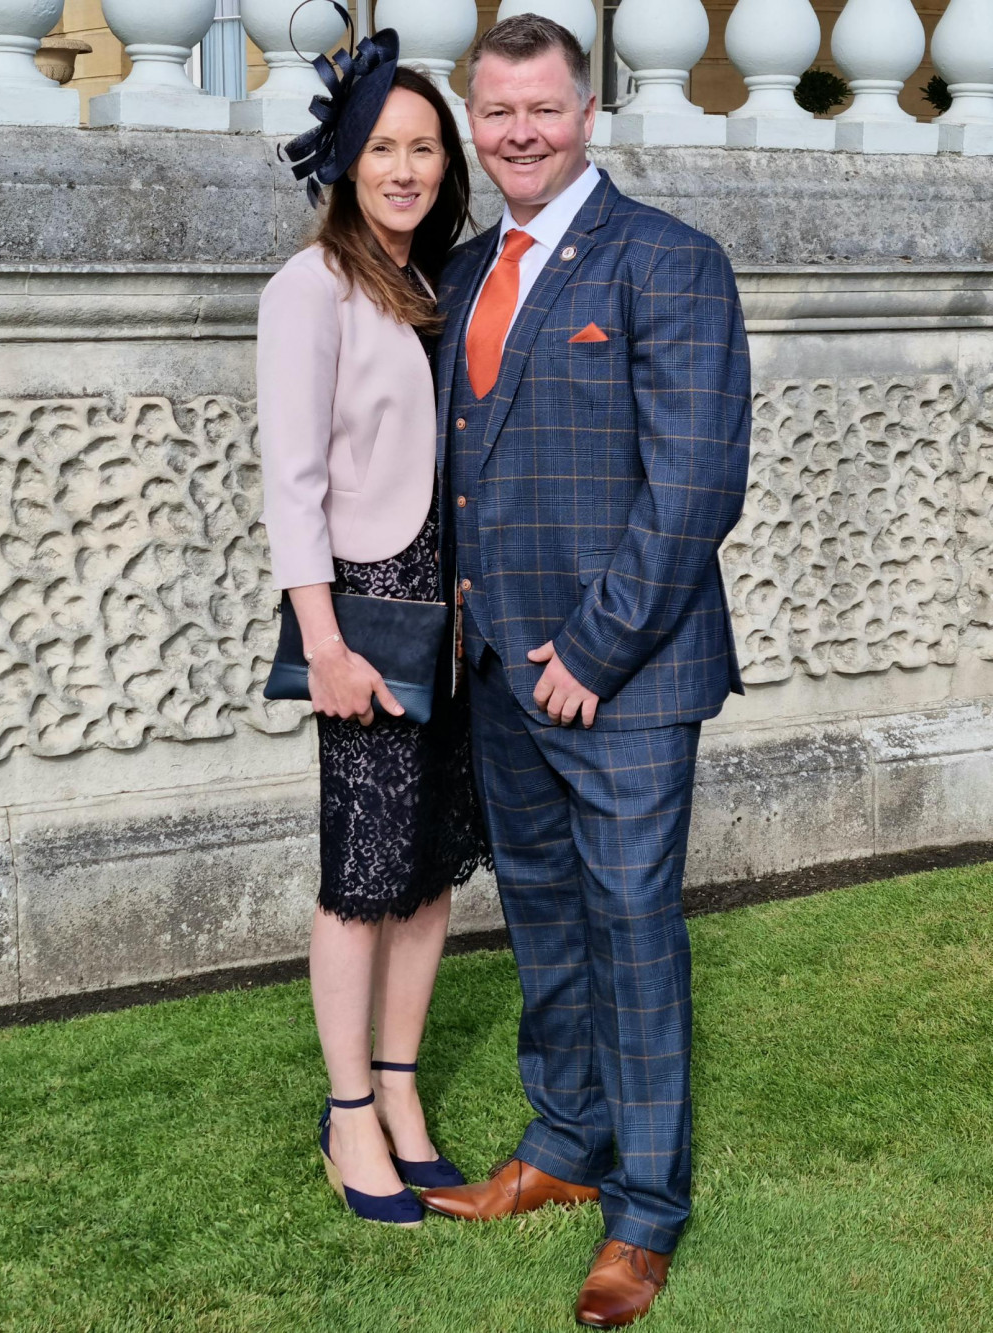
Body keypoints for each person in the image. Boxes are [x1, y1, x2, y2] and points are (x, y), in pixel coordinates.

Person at [418, 15, 752, 1327]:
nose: (518, 134)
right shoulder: (455, 273)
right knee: (547, 926)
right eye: (496, 112)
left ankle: (648, 1213)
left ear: (589, 110)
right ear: (475, 115)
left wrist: (595, 651)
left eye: (541, 110)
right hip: (497, 670)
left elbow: (695, 486)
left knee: (631, 934)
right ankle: (561, 1149)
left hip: (623, 677)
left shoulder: (669, 264)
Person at [257, 13, 485, 1228]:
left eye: (428, 150)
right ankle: (349, 1114)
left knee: (430, 870)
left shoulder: (421, 280)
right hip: (367, 617)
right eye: (386, 147)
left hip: (443, 614)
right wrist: (326, 642)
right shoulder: (311, 286)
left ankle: (400, 1093)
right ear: (347, 157)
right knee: (360, 876)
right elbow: (290, 477)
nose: (407, 168)